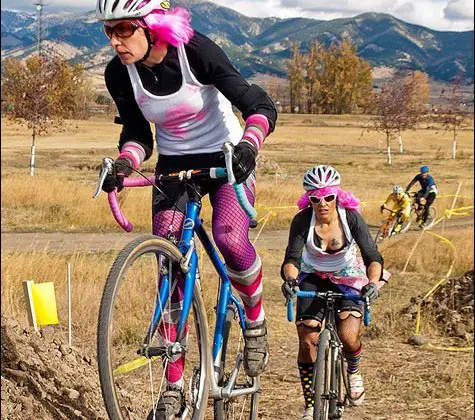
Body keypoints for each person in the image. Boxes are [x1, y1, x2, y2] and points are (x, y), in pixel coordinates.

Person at [95, 0, 277, 417]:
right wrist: (124, 164)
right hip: (175, 167)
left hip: (228, 155)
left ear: (152, 25)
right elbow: (139, 133)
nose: (115, 41)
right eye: (108, 31)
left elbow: (259, 104)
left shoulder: (195, 52)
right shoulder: (117, 73)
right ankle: (174, 384)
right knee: (169, 266)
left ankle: (255, 317)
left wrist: (250, 145)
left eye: (123, 29)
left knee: (231, 240)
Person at [280, 165, 389, 420]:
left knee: (348, 336)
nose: (323, 204)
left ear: (336, 196)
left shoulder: (350, 217)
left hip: (348, 276)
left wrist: (372, 283)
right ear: (309, 199)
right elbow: (292, 259)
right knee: (307, 338)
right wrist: (290, 280)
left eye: (328, 197)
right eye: (316, 199)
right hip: (312, 277)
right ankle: (310, 403)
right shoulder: (302, 220)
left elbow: (373, 256)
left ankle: (353, 370)